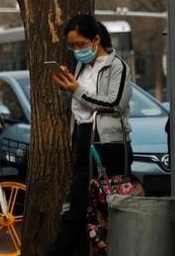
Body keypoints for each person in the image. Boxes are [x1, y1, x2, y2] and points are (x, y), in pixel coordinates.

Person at [47, 14, 132, 256]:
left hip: (109, 147)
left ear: (95, 40)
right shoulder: (82, 66)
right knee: (77, 207)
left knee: (107, 210)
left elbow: (114, 102)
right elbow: (80, 103)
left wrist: (76, 90)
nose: (76, 51)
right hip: (84, 140)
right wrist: (67, 88)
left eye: (80, 45)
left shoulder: (118, 67)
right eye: (72, 46)